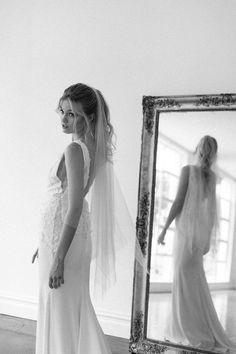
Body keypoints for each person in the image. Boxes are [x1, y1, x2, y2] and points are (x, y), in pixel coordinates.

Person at [31, 83, 119, 354]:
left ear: (89, 117)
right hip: (64, 238)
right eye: (62, 111)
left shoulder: (74, 150)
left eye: (72, 114)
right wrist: (46, 240)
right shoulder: (92, 149)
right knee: (69, 306)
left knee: (60, 306)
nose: (64, 119)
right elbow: (70, 199)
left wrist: (58, 257)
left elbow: (74, 206)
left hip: (64, 244)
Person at [157, 135, 236, 352]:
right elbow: (189, 205)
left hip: (190, 233)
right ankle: (189, 326)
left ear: (199, 149)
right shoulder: (195, 173)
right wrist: (207, 238)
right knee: (189, 277)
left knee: (185, 275)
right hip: (191, 232)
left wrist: (165, 230)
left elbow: (186, 204)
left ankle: (190, 328)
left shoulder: (206, 176)